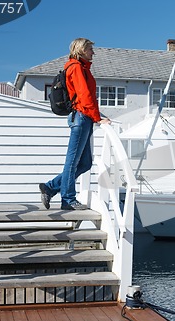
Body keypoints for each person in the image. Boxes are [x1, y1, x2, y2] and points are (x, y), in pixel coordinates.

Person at [39, 38, 110, 210]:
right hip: (82, 117)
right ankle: (68, 199)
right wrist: (98, 118)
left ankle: (50, 187)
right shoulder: (76, 68)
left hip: (84, 117)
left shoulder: (82, 67)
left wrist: (95, 116)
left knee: (85, 163)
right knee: (72, 162)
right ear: (82, 50)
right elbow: (85, 96)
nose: (93, 52)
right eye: (90, 49)